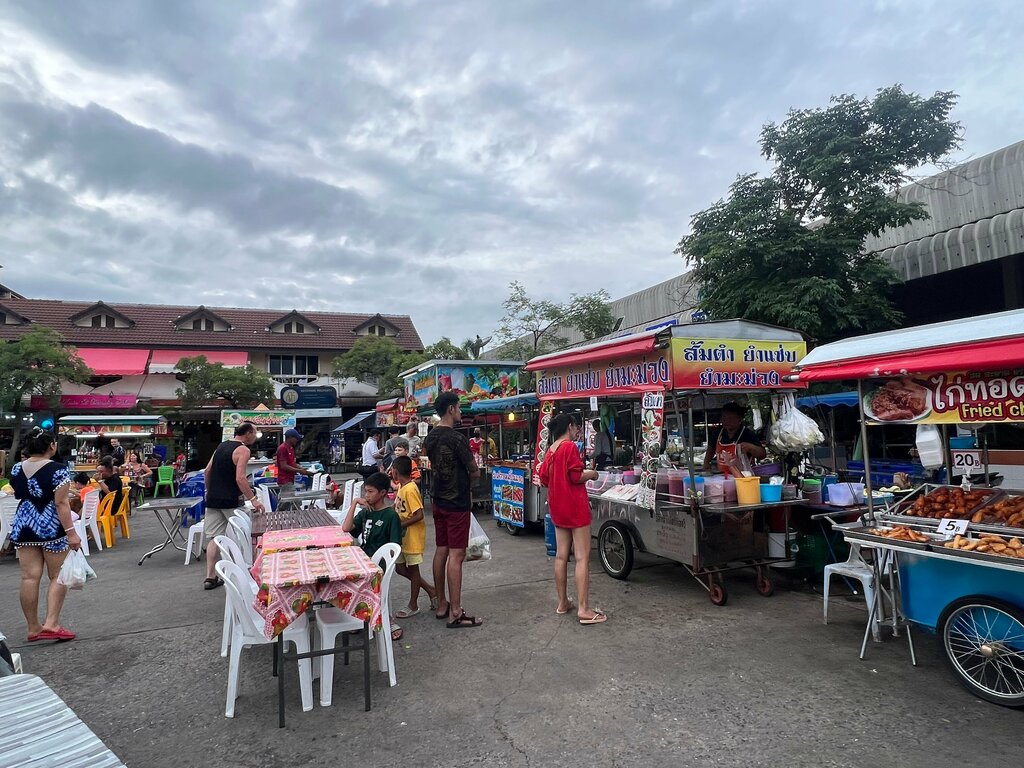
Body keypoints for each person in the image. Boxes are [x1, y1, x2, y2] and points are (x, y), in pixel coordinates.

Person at [9, 427, 82, 642]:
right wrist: (72, 533)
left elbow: (19, 494)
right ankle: (52, 623)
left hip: (24, 524)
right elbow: (61, 503)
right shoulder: (58, 470)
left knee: (29, 577)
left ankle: (33, 628)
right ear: (52, 446)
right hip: (50, 524)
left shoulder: (15, 469)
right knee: (58, 575)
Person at [539, 414, 607, 625]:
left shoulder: (550, 449)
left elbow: (543, 478)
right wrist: (592, 474)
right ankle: (584, 610)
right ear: (570, 426)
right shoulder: (569, 447)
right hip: (575, 507)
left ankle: (563, 603)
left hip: (558, 507)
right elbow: (576, 476)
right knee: (582, 557)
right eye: (577, 427)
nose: (579, 431)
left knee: (561, 556)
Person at [423, 391, 483, 628]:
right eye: (458, 407)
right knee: (456, 556)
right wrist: (473, 476)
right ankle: (456, 612)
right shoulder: (458, 439)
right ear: (450, 409)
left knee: (441, 550)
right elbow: (474, 469)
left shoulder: (431, 437)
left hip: (438, 500)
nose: (460, 411)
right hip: (457, 502)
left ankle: (441, 604)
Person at [202, 422, 265, 590]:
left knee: (215, 537)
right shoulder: (243, 450)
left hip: (213, 499)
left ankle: (210, 577)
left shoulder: (221, 447)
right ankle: (253, 569)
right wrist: (253, 499)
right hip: (231, 500)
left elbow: (207, 471)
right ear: (249, 433)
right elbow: (240, 478)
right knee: (251, 531)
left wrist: (211, 490)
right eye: (255, 433)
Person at [342, 471, 404, 641]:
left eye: (370, 492)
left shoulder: (390, 516)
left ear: (383, 493)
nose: (366, 495)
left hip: (379, 565)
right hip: (363, 560)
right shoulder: (366, 512)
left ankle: (386, 618)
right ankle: (359, 614)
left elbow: (395, 546)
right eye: (365, 492)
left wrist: (381, 562)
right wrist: (355, 503)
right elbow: (346, 528)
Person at [389, 456, 437, 618]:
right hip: (402, 537)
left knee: (413, 570)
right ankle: (431, 590)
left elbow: (419, 515)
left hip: (412, 537)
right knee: (400, 568)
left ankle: (413, 604)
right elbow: (397, 508)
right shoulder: (402, 488)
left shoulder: (410, 489)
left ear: (395, 472)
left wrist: (400, 525)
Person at [702, 402, 766, 475]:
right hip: (721, 475)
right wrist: (706, 463)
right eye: (724, 417)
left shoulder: (747, 434)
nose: (726, 421)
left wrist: (751, 447)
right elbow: (711, 448)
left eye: (730, 418)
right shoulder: (718, 432)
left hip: (742, 476)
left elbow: (762, 454)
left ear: (740, 419)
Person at [275, 428, 312, 494]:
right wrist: (299, 470)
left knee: (288, 501)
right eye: (296, 438)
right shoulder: (282, 448)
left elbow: (292, 463)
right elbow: (283, 466)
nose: (297, 440)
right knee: (293, 501)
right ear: (290, 438)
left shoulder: (291, 448)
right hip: (284, 480)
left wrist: (302, 468)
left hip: (290, 479)